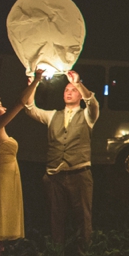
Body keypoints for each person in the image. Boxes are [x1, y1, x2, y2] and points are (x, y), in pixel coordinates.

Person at [24, 70, 100, 244]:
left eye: (73, 90)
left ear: (80, 95)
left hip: (79, 173)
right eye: (66, 89)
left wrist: (78, 82)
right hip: (54, 175)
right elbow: (30, 109)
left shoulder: (87, 116)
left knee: (83, 219)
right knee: (55, 219)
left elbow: (93, 104)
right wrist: (33, 85)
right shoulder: (53, 116)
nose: (68, 92)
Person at [0, 70, 44, 247]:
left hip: (9, 179)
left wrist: (34, 85)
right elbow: (20, 103)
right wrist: (36, 81)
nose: (3, 108)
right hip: (2, 180)